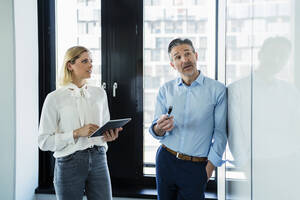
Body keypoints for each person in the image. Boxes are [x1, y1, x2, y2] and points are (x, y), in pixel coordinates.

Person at [38, 46, 122, 200]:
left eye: (91, 61)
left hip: (99, 158)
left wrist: (108, 136)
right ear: (70, 65)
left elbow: (103, 128)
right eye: (84, 61)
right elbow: (44, 142)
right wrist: (76, 133)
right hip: (69, 161)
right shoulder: (54, 98)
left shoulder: (99, 94)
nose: (90, 65)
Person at [149, 38, 227, 200]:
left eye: (187, 54)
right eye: (177, 57)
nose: (184, 60)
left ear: (196, 56)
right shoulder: (166, 89)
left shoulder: (217, 90)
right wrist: (160, 127)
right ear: (173, 65)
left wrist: (209, 168)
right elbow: (155, 129)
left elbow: (221, 133)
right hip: (166, 160)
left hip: (196, 166)